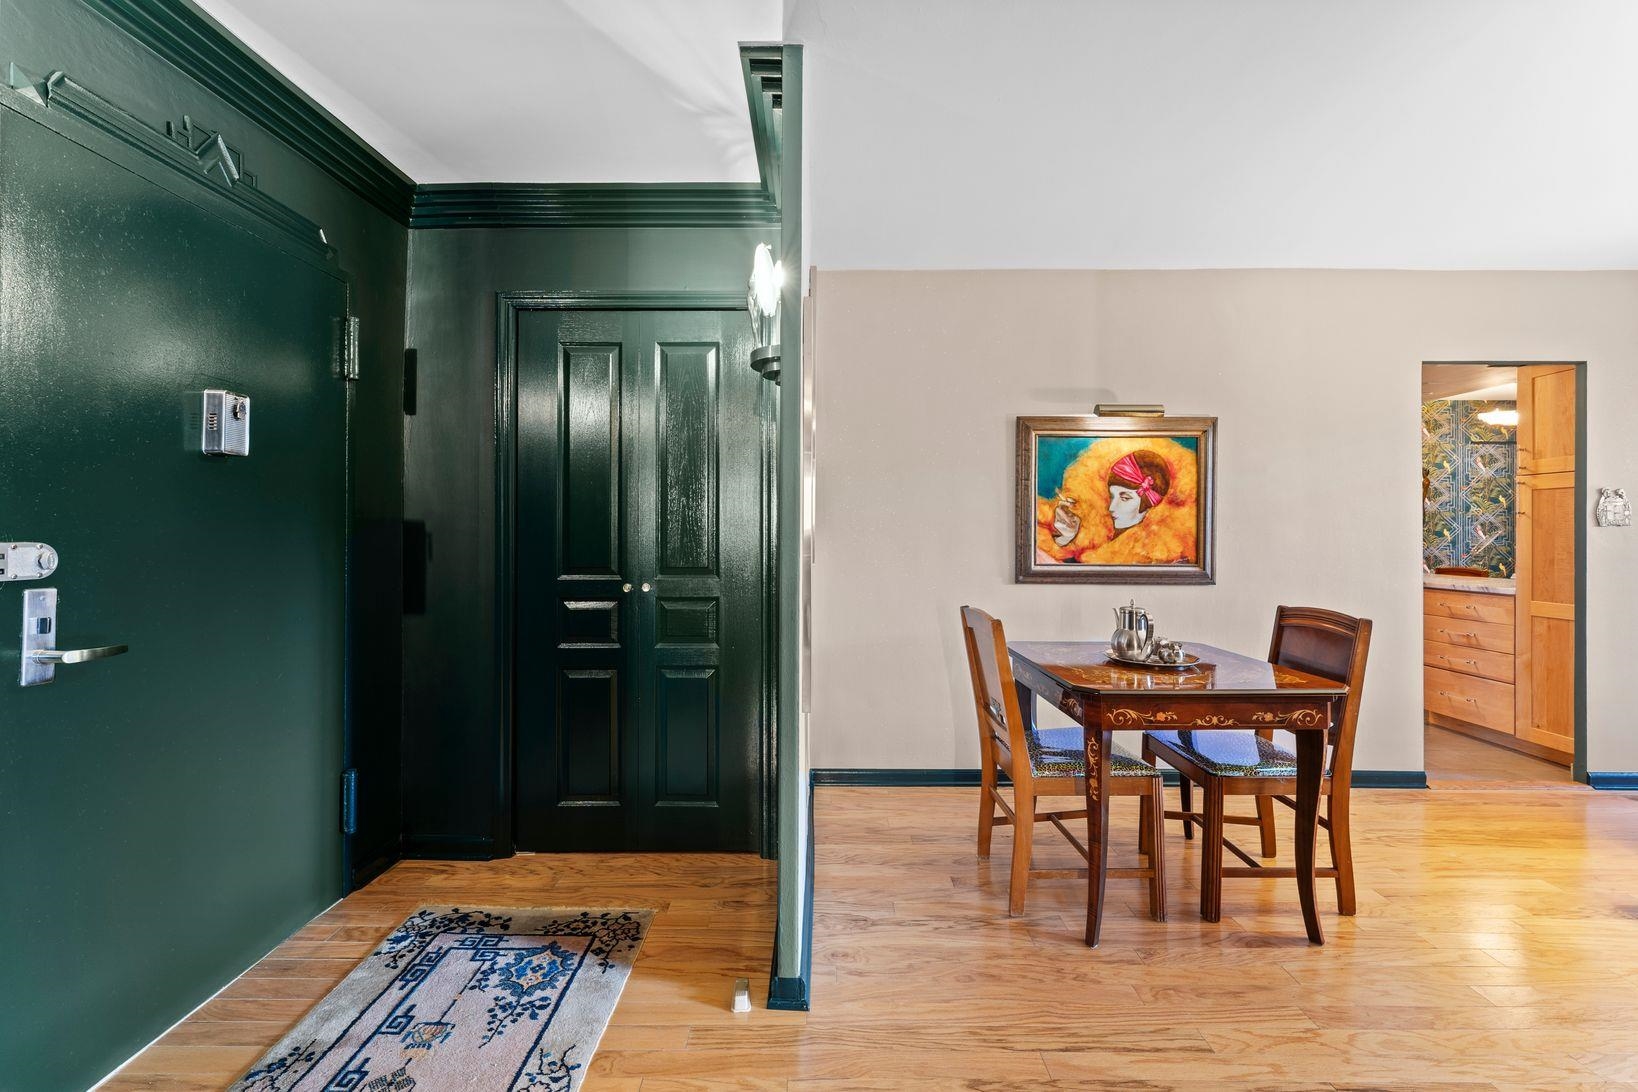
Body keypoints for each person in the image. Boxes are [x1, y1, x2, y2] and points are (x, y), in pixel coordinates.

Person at [1035, 436, 1197, 566]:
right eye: (1112, 496)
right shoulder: (1096, 533)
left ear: (1150, 503)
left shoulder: (1160, 553)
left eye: (1125, 498)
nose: (1112, 507)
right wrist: (1066, 539)